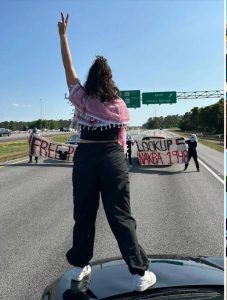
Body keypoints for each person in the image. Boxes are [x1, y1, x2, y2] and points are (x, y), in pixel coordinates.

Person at [58, 13, 155, 291]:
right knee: (120, 214)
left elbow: (69, 67)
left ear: (90, 79)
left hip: (86, 157)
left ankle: (79, 265)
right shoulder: (120, 106)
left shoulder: (82, 99)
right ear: (110, 80)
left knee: (84, 212)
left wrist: (63, 36)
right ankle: (139, 274)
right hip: (112, 157)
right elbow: (122, 140)